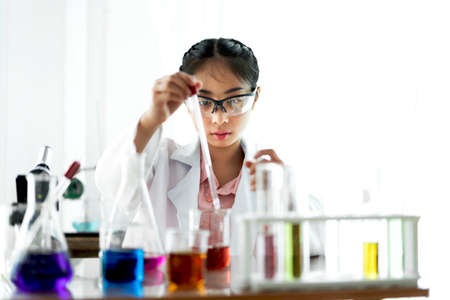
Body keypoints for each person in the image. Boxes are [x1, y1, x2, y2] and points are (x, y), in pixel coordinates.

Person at [95, 38, 283, 251]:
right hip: (163, 284)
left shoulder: (271, 175)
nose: (219, 119)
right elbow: (109, 183)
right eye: (204, 102)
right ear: (187, 101)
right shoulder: (161, 163)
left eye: (234, 101)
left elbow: (314, 245)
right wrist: (150, 120)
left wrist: (285, 193)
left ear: (255, 97)